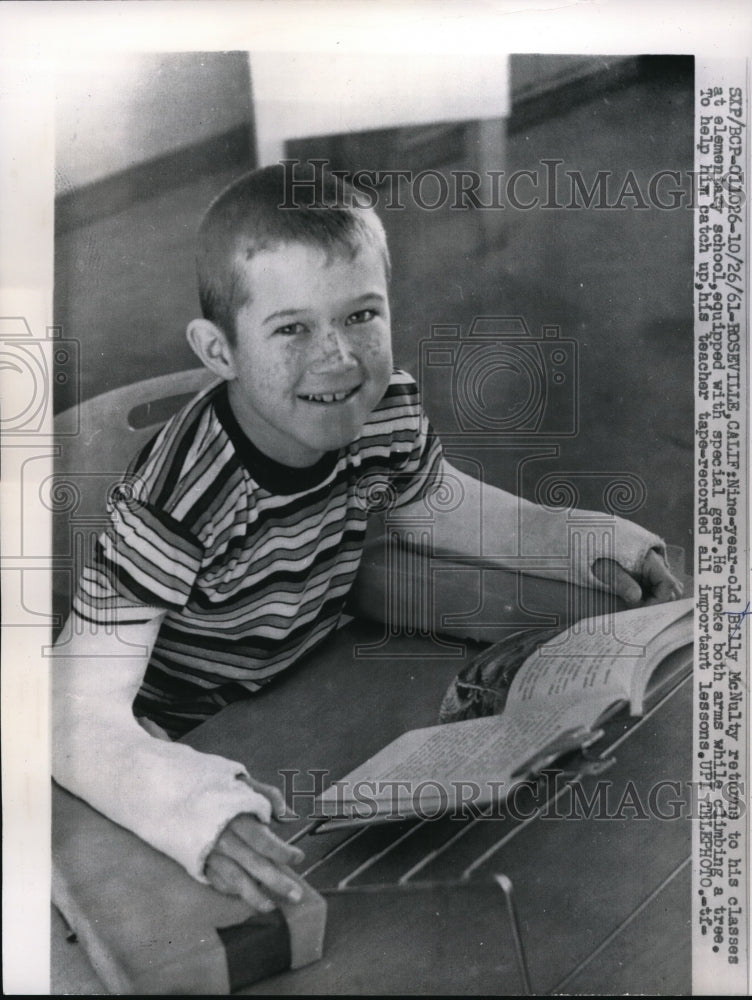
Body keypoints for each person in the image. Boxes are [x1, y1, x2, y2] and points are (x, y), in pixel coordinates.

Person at [52, 164, 683, 915]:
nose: (339, 359)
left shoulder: (384, 405)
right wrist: (192, 810)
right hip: (187, 732)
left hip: (307, 655)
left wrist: (585, 537)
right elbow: (68, 704)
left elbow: (434, 507)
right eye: (292, 329)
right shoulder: (176, 494)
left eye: (361, 316)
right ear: (218, 352)